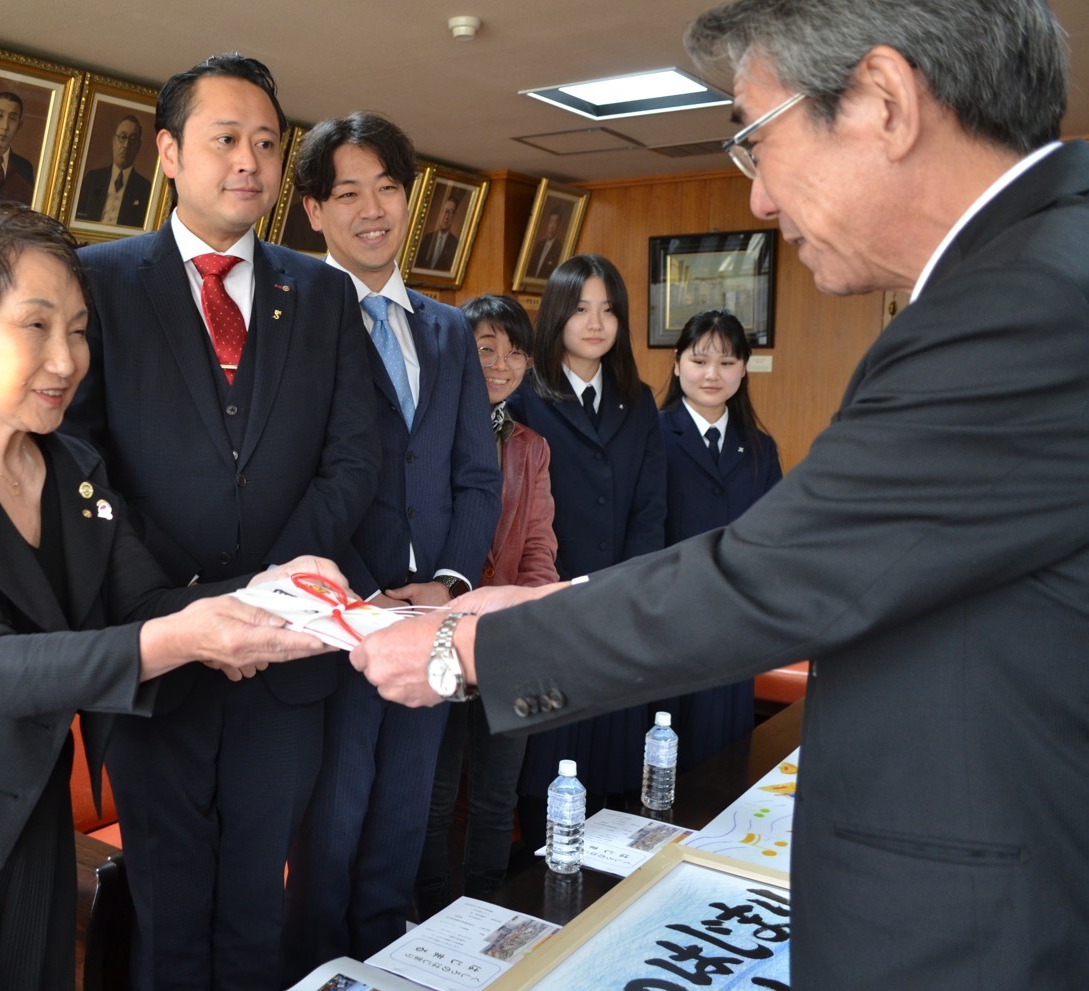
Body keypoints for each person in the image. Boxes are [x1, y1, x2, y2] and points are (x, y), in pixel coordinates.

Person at [352, 0, 1089, 987]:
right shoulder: (1032, 269)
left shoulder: (1027, 303)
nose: (760, 199)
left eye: (755, 139)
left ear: (883, 102)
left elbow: (772, 575)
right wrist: (538, 601)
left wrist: (469, 648)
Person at [0, 203, 340, 990]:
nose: (66, 359)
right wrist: (187, 637)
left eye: (79, 330)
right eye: (37, 325)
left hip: (26, 805)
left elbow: (142, 604)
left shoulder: (72, 470)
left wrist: (264, 591)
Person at [59, 54, 379, 991]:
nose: (250, 160)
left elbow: (352, 460)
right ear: (168, 153)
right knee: (165, 913)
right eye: (226, 138)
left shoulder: (322, 293)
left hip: (285, 661)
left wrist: (264, 604)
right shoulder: (98, 283)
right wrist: (190, 610)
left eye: (267, 144)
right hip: (156, 657)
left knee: (253, 910)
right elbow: (79, 467)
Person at [281, 111, 500, 975]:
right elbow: (293, 477)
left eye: (387, 188)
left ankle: (382, 964)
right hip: (342, 615)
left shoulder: (447, 331)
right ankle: (319, 970)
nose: (371, 210)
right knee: (332, 817)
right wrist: (366, 593)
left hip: (433, 618)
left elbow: (476, 476)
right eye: (347, 193)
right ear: (313, 211)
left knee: (406, 811)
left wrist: (447, 583)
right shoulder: (292, 324)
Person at [506, 253, 665, 833]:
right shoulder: (525, 397)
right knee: (549, 759)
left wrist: (626, 586)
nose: (596, 323)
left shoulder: (638, 400)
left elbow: (650, 508)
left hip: (618, 600)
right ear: (556, 316)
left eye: (608, 310)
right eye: (580, 309)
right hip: (548, 603)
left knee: (611, 754)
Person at [415, 294, 558, 916]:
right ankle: (427, 916)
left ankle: (486, 915)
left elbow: (539, 544)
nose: (502, 364)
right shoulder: (429, 431)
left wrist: (526, 611)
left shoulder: (531, 446)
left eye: (515, 352)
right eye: (486, 349)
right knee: (435, 792)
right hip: (439, 633)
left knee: (498, 794)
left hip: (509, 636)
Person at [655, 309, 782, 767]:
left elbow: (771, 537)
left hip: (732, 620)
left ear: (744, 369)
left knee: (725, 752)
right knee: (665, 747)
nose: (712, 374)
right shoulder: (652, 435)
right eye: (699, 360)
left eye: (727, 362)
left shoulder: (760, 447)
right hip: (666, 616)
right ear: (677, 364)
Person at [75, 114, 152, 226]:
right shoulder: (92, 179)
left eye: (132, 139)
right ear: (114, 142)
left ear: (138, 146)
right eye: (122, 137)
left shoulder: (145, 189)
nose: (126, 145)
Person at [413, 193, 460, 271]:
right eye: (445, 211)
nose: (446, 216)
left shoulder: (455, 245)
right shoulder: (427, 239)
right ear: (441, 212)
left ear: (454, 216)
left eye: (450, 212)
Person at [527, 210, 564, 280]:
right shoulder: (539, 245)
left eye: (555, 223)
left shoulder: (559, 249)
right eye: (550, 222)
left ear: (559, 226)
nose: (551, 226)